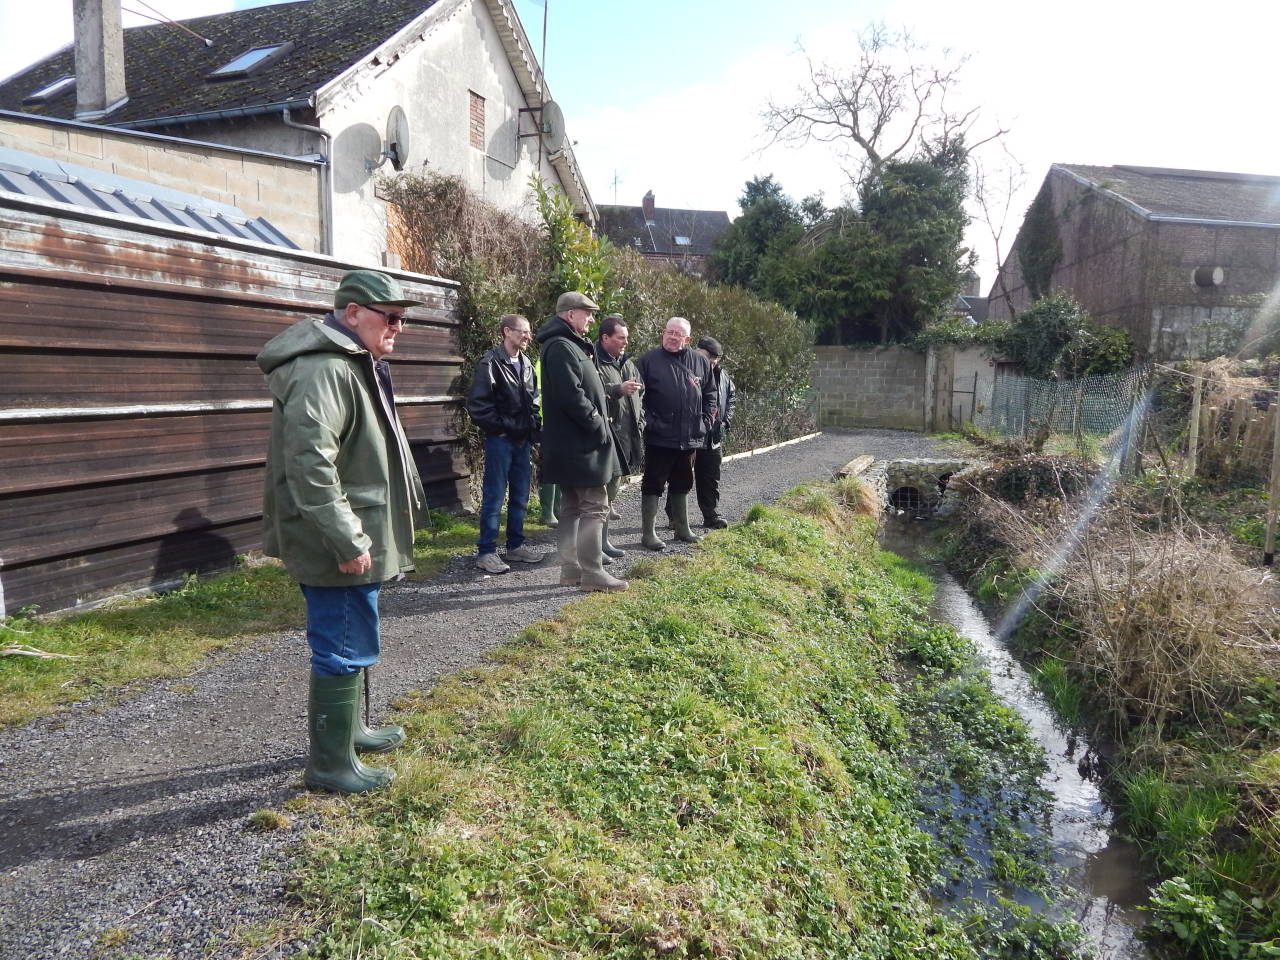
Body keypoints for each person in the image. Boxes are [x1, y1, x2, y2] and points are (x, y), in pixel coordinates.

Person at [257, 269, 425, 794]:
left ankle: (351, 732)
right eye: (389, 318)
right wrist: (348, 539)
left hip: (355, 529)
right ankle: (331, 765)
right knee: (342, 644)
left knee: (354, 634)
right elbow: (310, 464)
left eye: (402, 319)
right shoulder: (327, 370)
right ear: (352, 313)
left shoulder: (354, 362)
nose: (397, 328)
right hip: (340, 538)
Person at [534, 291, 628, 592]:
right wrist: (598, 424)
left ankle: (571, 569)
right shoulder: (561, 346)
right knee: (595, 506)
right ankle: (592, 571)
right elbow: (571, 395)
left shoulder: (567, 344)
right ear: (569, 314)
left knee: (572, 506)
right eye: (586, 313)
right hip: (579, 443)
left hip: (573, 442)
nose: (590, 318)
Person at [465, 314, 542, 574]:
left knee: (520, 495)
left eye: (529, 332)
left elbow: (533, 400)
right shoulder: (489, 363)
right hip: (500, 441)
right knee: (494, 496)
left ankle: (515, 546)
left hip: (523, 441)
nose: (527, 336)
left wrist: (533, 426)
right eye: (523, 331)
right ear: (507, 332)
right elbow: (478, 406)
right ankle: (486, 552)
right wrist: (501, 429)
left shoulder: (528, 364)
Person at [633, 317, 717, 551]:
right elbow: (637, 398)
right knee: (653, 484)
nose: (671, 336)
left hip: (690, 436)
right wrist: (650, 423)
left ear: (687, 339)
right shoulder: (648, 361)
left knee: (683, 482)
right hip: (659, 437)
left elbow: (711, 394)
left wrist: (705, 422)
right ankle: (648, 534)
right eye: (668, 332)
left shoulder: (700, 362)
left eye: (677, 334)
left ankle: (682, 529)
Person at [594, 314, 644, 559]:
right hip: (605, 437)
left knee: (611, 491)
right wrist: (617, 390)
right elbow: (589, 392)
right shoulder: (593, 361)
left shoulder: (627, 363)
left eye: (626, 338)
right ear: (605, 338)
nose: (625, 342)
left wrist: (641, 422)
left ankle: (604, 541)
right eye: (620, 338)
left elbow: (640, 396)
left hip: (626, 437)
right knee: (599, 494)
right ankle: (594, 546)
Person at [690, 336, 736, 528]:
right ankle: (675, 518)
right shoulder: (687, 370)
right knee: (680, 478)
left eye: (715, 358)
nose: (712, 361)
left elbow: (731, 398)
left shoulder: (723, 376)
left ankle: (711, 515)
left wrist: (725, 421)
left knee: (710, 478)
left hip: (713, 436)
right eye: (709, 356)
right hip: (690, 434)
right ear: (697, 351)